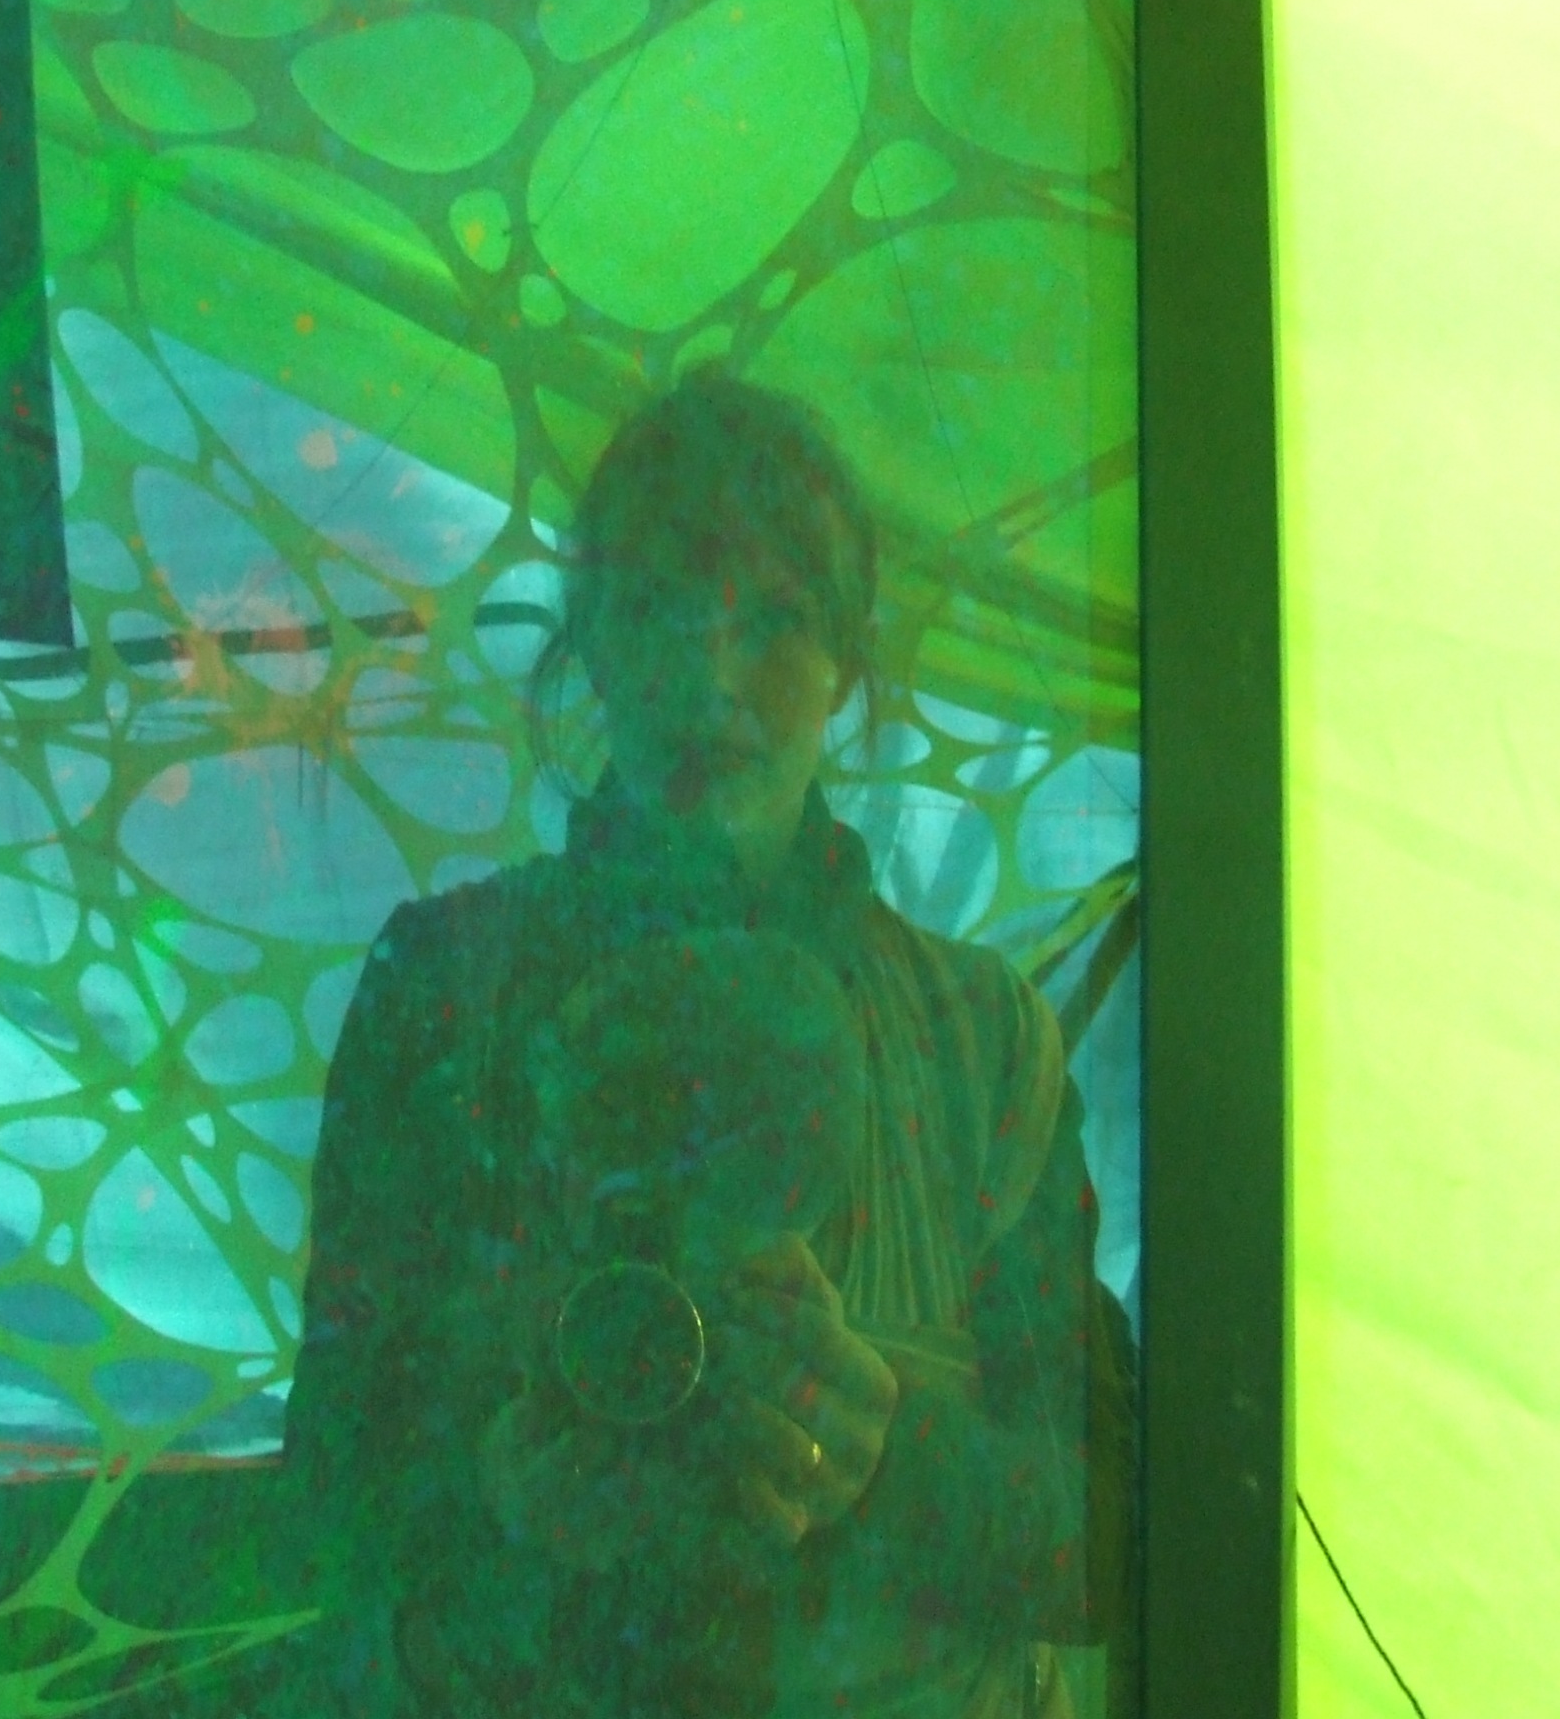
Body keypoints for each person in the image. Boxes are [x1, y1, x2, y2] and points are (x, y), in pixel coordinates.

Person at [282, 377, 1135, 1718]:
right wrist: (493, 1493)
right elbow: (326, 1491)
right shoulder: (438, 995)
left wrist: (895, 1462)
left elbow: (1122, 1542)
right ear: (593, 647)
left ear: (847, 663)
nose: (710, 678)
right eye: (658, 609)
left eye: (777, 621)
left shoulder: (985, 1050)